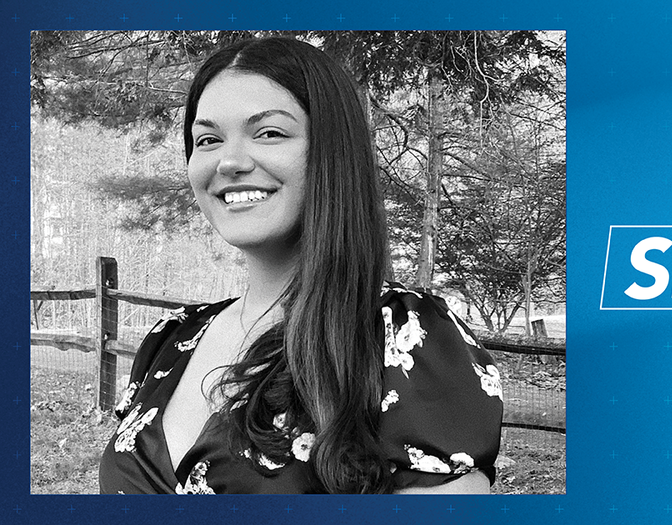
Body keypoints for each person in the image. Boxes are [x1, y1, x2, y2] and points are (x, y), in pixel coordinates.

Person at [98, 36, 503, 494]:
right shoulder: (169, 339)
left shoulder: (408, 339)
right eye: (208, 139)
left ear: (331, 152)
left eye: (269, 132)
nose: (229, 161)